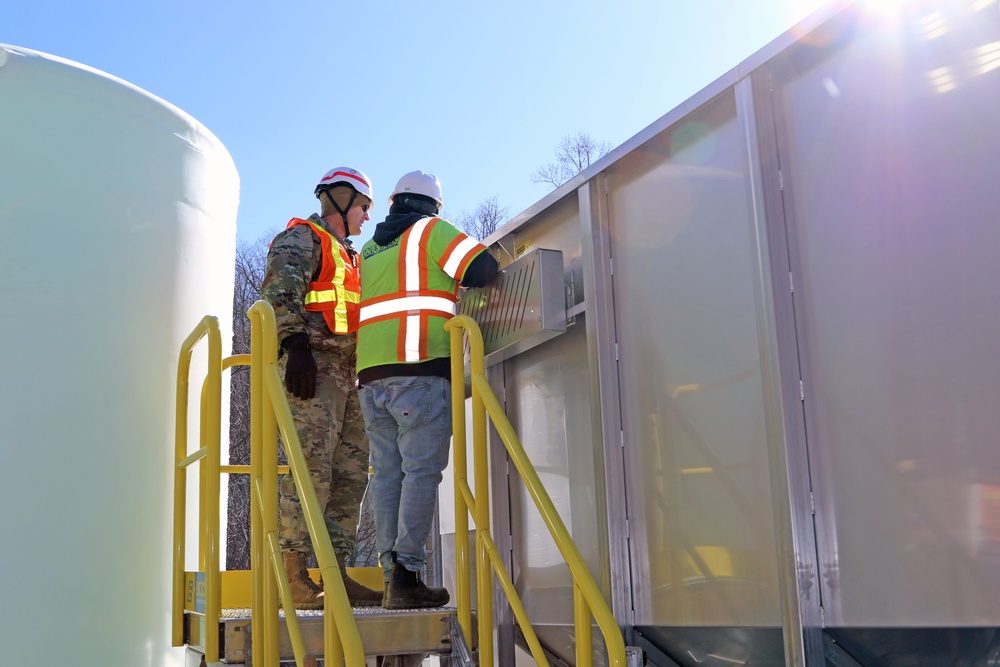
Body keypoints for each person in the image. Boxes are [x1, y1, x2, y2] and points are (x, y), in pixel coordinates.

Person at [355, 170, 500, 609]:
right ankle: (407, 574)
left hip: (371, 378)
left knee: (387, 475)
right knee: (420, 472)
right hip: (419, 372)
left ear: (395, 201)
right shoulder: (431, 232)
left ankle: (389, 578)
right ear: (433, 206)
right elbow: (483, 269)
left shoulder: (370, 248)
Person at [260, 166, 383, 609]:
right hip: (310, 367)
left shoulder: (351, 256)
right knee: (309, 470)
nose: (367, 217)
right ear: (344, 198)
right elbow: (278, 295)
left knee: (350, 475)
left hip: (348, 372)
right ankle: (292, 576)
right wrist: (294, 346)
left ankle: (336, 573)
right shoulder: (301, 240)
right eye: (365, 207)